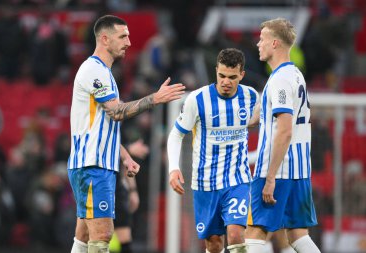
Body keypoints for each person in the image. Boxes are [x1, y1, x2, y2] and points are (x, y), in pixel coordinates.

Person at [68, 15, 185, 253]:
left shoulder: (105, 72)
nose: (129, 42)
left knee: (83, 235)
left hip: (98, 164)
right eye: (123, 36)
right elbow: (117, 112)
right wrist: (155, 98)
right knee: (102, 234)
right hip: (92, 165)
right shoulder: (94, 70)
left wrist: (124, 156)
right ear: (104, 38)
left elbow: (103, 125)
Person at [167, 48, 259, 253]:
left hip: (237, 180)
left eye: (232, 77)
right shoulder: (197, 100)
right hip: (205, 183)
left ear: (242, 75)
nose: (226, 81)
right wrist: (173, 168)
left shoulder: (251, 97)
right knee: (214, 243)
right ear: (216, 70)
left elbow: (265, 123)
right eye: (222, 75)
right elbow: (176, 134)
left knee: (235, 235)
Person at [245, 18, 320, 253]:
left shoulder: (279, 80)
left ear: (275, 43)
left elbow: (285, 130)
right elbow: (260, 118)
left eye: (262, 39)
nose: (258, 44)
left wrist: (270, 177)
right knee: (298, 235)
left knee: (254, 233)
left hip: (279, 169)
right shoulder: (295, 75)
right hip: (299, 169)